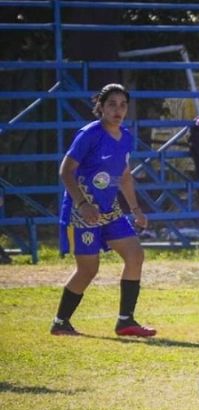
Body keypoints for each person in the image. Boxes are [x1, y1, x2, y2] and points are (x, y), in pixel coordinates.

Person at [51, 83, 156, 338]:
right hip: (82, 212)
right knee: (88, 269)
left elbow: (125, 176)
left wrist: (135, 210)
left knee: (135, 255)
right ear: (100, 107)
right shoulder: (89, 134)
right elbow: (66, 171)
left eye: (122, 105)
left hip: (109, 211)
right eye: (112, 104)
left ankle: (125, 321)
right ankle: (60, 321)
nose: (118, 110)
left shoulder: (126, 137)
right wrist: (83, 204)